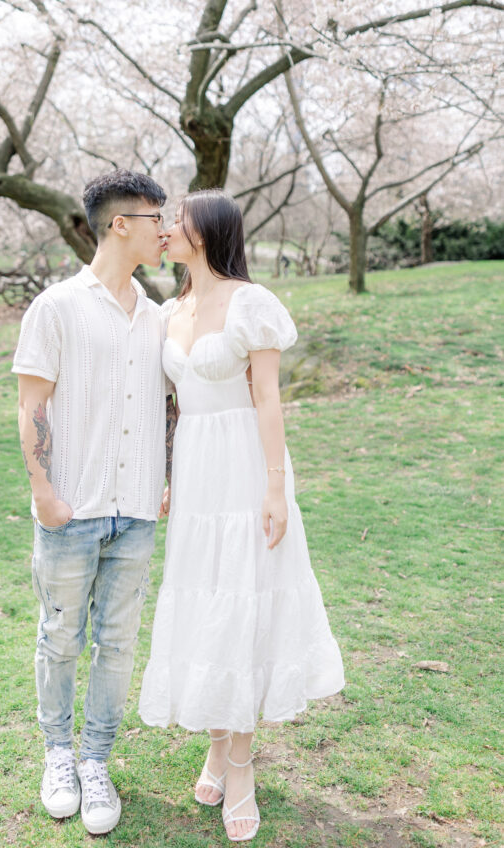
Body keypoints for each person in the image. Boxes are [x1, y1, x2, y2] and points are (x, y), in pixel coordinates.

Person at [139, 189, 344, 843]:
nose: (166, 229)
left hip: (246, 469)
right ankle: (215, 746)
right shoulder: (169, 311)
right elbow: (172, 407)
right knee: (207, 609)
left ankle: (241, 768)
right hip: (196, 474)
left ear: (207, 231)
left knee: (243, 606)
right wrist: (167, 477)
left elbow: (267, 401)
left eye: (177, 221)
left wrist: (276, 488)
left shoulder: (249, 304)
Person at [12, 170, 168, 835]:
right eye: (157, 219)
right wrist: (44, 492)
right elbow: (31, 405)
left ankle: (97, 760)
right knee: (59, 636)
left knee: (116, 642)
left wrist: (164, 479)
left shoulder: (160, 316)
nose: (168, 231)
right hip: (71, 509)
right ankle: (58, 755)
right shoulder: (56, 307)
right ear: (120, 225)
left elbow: (167, 405)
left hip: (135, 511)